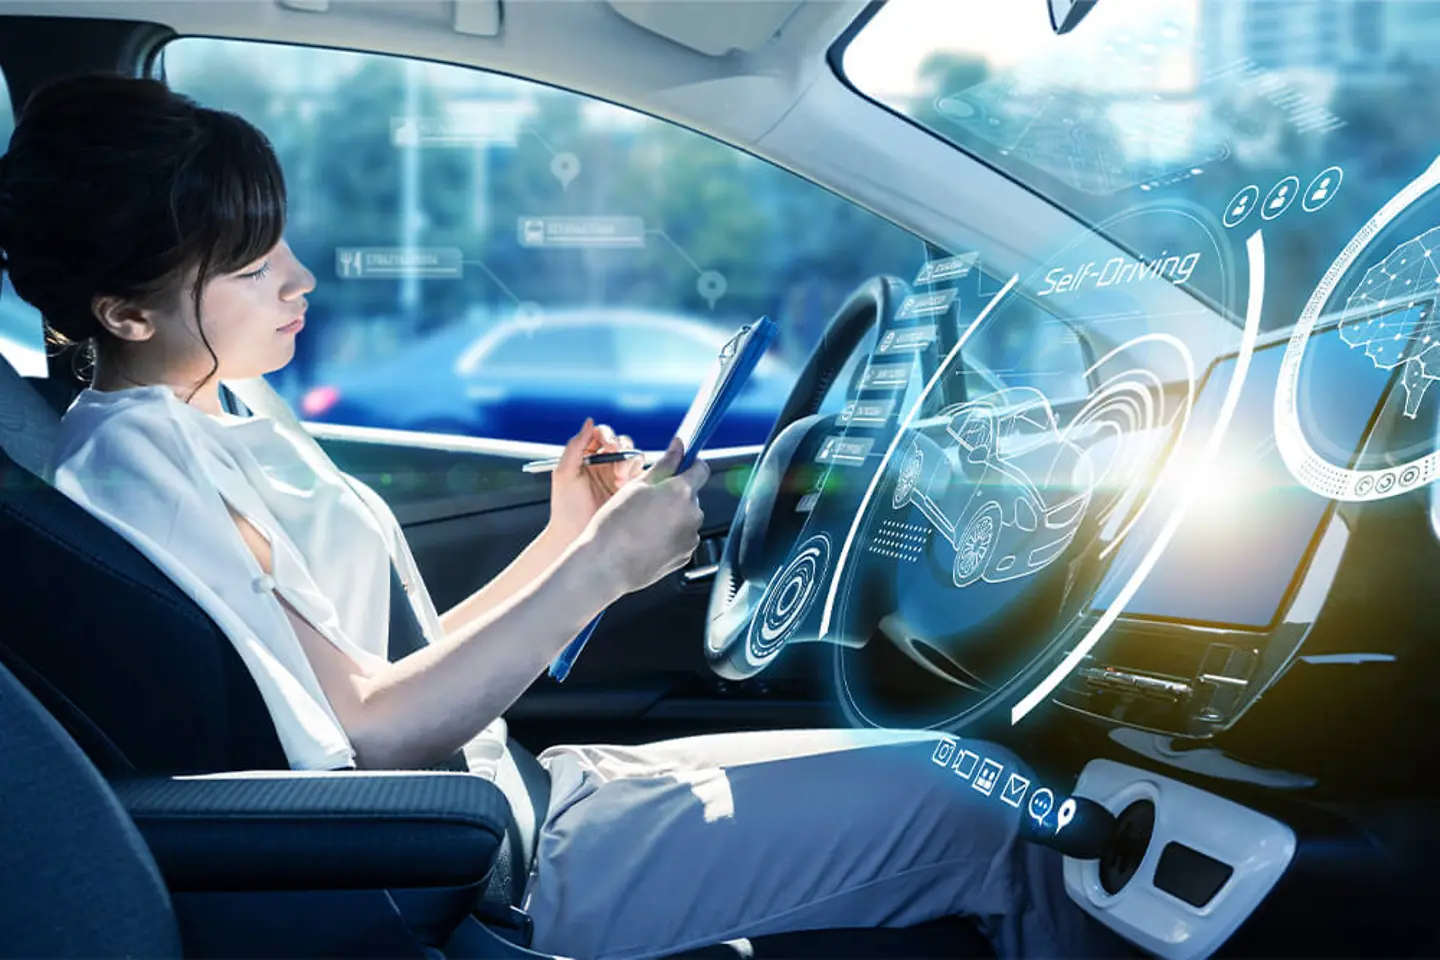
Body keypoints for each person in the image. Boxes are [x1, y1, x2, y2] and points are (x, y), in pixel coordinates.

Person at [0, 74, 1124, 959]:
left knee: (954, 768)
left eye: (277, 243)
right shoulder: (140, 460)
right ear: (123, 310)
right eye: (249, 268)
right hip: (482, 863)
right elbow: (374, 738)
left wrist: (564, 542)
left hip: (520, 795)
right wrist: (597, 570)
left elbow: (382, 664)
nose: (297, 278)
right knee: (987, 815)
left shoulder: (217, 408)